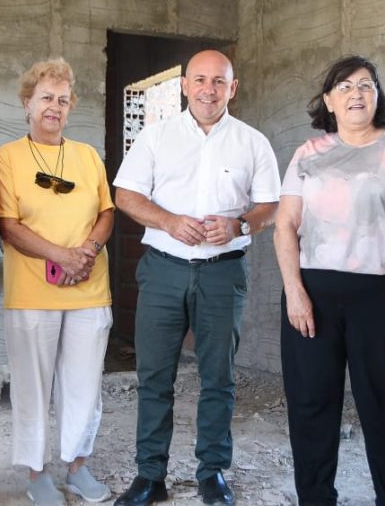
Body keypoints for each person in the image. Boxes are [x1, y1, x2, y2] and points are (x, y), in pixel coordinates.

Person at [111, 50, 280, 506]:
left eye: (218, 82)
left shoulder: (252, 142)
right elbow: (125, 194)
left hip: (223, 273)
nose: (209, 89)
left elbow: (270, 205)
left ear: (233, 87)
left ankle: (212, 474)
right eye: (200, 80)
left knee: (219, 378)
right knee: (154, 377)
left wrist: (240, 225)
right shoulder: (155, 136)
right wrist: (167, 220)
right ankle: (150, 476)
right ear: (184, 85)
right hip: (164, 269)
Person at [274, 55, 385, 506]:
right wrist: (294, 293)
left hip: (383, 295)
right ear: (328, 100)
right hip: (313, 295)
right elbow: (285, 225)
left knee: (382, 409)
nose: (356, 94)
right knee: (311, 408)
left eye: (366, 85)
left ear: (378, 96)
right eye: (344, 87)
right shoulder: (307, 155)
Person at [0, 57, 115, 506]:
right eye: (46, 98)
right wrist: (61, 255)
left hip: (89, 287)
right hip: (31, 291)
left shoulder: (86, 156)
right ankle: (38, 473)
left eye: (63, 100)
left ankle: (78, 467)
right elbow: (8, 224)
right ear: (28, 103)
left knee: (84, 382)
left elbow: (106, 212)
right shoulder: (7, 157)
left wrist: (87, 253)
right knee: (32, 384)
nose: (54, 107)